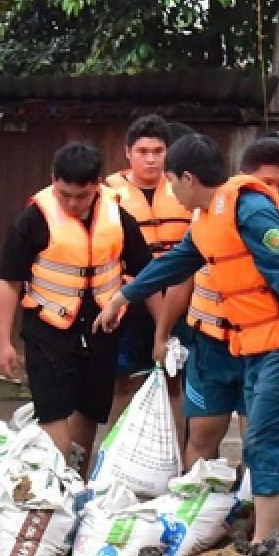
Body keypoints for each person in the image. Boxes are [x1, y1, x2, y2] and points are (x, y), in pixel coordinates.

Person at [96, 133, 279, 542]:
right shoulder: (208, 219)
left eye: (172, 181)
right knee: (258, 443)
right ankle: (265, 542)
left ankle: (265, 545)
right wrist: (123, 296)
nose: (171, 191)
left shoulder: (249, 209)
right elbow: (174, 263)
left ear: (188, 178)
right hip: (253, 346)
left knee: (267, 443)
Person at [0, 142, 155, 467]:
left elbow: (147, 276)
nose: (72, 203)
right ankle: (58, 480)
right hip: (47, 328)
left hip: (101, 327)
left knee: (89, 412)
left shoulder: (118, 218)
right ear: (53, 180)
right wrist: (3, 343)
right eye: (64, 194)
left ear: (97, 185)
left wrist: (162, 333)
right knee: (53, 414)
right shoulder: (32, 221)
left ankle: (75, 484)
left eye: (82, 196)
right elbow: (9, 283)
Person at [179, 138, 279, 469]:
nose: (272, 192)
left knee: (257, 436)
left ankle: (253, 496)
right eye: (265, 183)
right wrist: (160, 332)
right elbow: (178, 273)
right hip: (212, 343)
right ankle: (201, 496)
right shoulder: (208, 222)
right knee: (202, 434)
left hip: (263, 346)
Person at [104, 114, 194, 387]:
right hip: (131, 299)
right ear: (127, 152)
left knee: (176, 378)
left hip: (180, 297)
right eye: (142, 152)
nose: (151, 159)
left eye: (158, 151)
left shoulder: (186, 189)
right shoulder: (108, 194)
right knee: (124, 380)